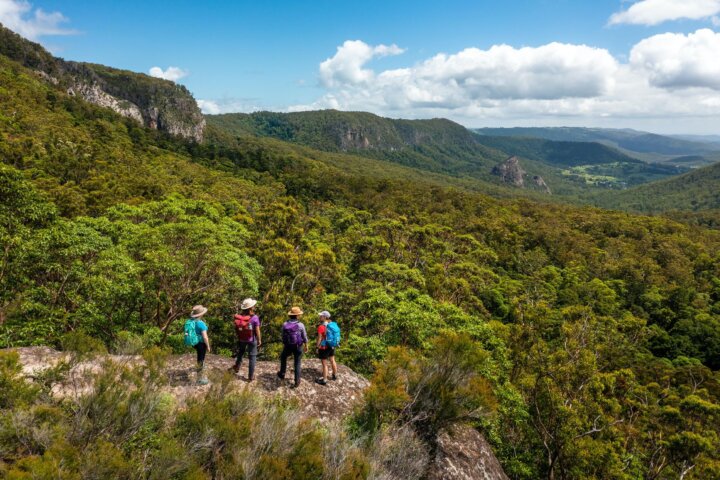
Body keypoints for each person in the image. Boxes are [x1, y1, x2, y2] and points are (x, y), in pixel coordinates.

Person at [229, 298, 261, 381]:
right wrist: (259, 340)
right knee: (252, 357)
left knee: (240, 352)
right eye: (253, 306)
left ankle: (237, 367)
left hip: (242, 338)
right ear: (251, 308)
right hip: (251, 340)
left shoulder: (240, 317)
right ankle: (250, 377)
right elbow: (257, 330)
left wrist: (239, 336)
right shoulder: (254, 318)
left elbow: (236, 328)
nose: (254, 306)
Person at [277, 306, 308, 388]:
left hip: (288, 346)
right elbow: (304, 336)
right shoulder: (300, 325)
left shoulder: (285, 324)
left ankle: (282, 373)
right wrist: (306, 345)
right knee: (297, 362)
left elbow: (283, 336)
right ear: (297, 316)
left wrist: (285, 343)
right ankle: (297, 381)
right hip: (298, 346)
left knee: (283, 357)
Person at [187, 305, 211, 385]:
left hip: (194, 343)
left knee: (199, 356)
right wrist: (208, 346)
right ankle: (200, 379)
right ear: (201, 314)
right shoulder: (201, 324)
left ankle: (200, 368)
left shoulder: (191, 321)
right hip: (201, 344)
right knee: (201, 359)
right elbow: (205, 337)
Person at [315, 310, 338, 385]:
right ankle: (334, 375)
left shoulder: (321, 327)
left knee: (324, 363)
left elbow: (319, 338)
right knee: (332, 360)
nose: (320, 317)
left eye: (321, 316)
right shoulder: (332, 325)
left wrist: (317, 347)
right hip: (332, 345)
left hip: (324, 347)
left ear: (325, 317)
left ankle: (324, 380)